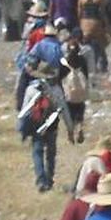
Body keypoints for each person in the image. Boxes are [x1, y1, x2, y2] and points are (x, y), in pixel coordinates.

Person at [19, 62, 64, 192]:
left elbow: (25, 111)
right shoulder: (56, 89)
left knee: (37, 152)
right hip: (51, 125)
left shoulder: (31, 89)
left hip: (36, 125)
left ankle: (41, 180)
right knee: (51, 153)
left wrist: (22, 129)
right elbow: (62, 108)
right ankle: (49, 179)